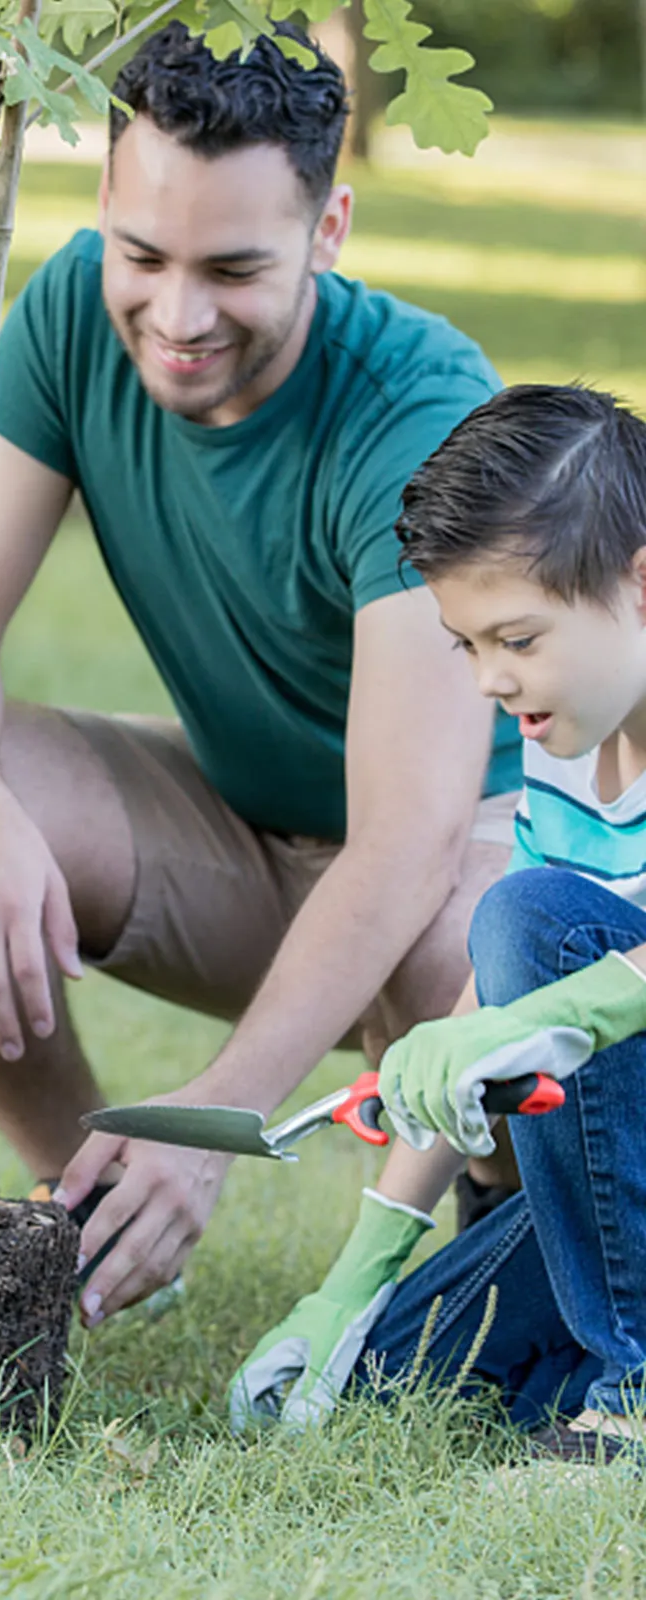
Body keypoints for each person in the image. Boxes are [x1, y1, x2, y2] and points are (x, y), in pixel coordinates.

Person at [0, 19, 522, 1326]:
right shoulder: (73, 313)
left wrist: (212, 1120)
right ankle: (88, 1218)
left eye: (234, 268)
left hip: (443, 874)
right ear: (102, 207)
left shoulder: (418, 413)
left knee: (483, 939)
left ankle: (509, 1224)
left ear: (330, 228)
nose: (178, 315)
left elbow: (409, 840)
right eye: (144, 255)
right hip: (240, 845)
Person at [232, 385, 646, 1463]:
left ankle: (630, 1395)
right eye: (466, 644)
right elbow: (484, 1008)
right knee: (391, 1374)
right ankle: (596, 1361)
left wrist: (571, 1008)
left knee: (528, 915)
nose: (488, 680)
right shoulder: (567, 732)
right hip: (622, 1183)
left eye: (515, 637)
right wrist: (355, 1274)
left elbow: (538, 952)